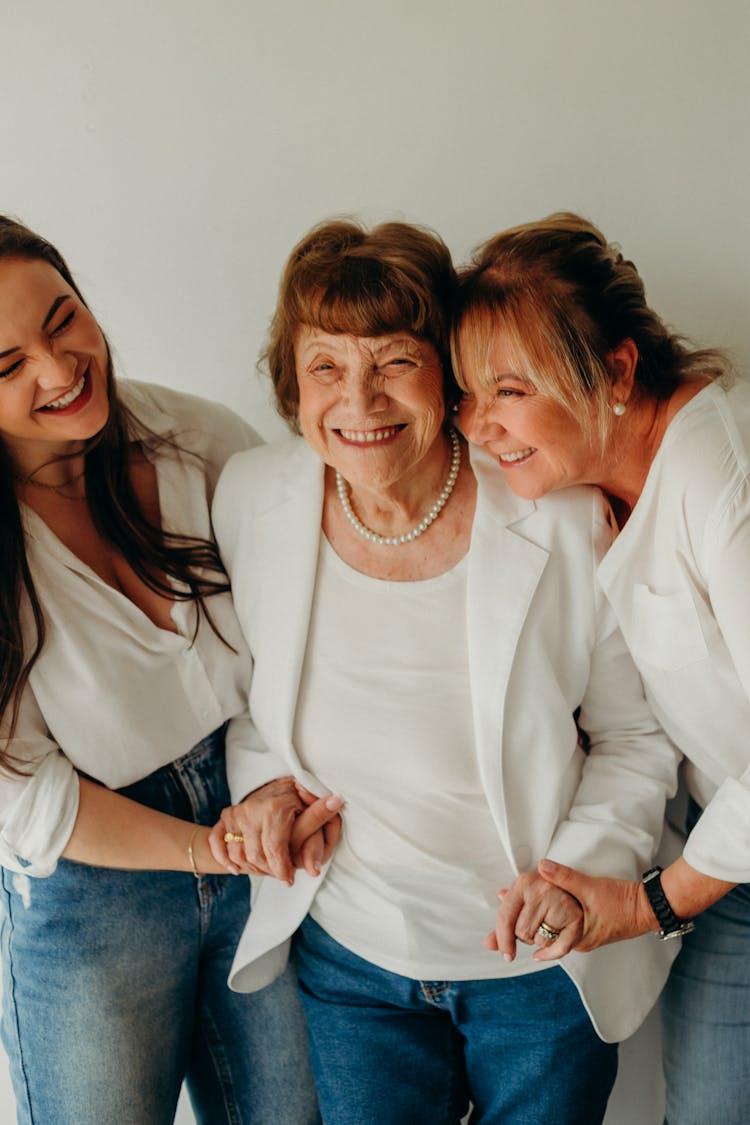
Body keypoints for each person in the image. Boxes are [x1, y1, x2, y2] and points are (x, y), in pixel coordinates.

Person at [208, 218, 680, 1125]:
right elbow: (257, 708)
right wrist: (265, 785)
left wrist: (575, 874)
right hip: (352, 964)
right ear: (291, 382)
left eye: (393, 360)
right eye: (326, 366)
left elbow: (633, 735)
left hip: (537, 971)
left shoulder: (559, 510)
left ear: (447, 371)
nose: (359, 398)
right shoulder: (254, 498)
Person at [0, 216, 334, 1125]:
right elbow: (26, 798)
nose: (60, 368)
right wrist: (207, 849)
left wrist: (268, 802)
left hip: (265, 828)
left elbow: (311, 622)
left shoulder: (197, 438)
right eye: (7, 365)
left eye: (64, 319)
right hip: (93, 892)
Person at [453, 210, 749, 1125]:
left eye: (511, 389)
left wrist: (648, 902)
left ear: (617, 371)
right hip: (728, 853)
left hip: (706, 870)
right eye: (468, 393)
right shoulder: (596, 486)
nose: (483, 426)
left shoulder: (721, 478)